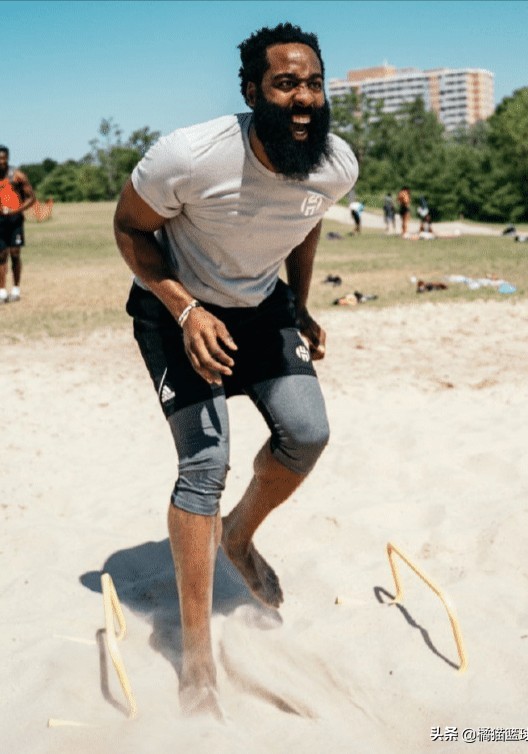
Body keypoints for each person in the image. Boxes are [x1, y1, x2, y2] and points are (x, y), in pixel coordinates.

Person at [113, 22, 358, 717]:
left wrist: (301, 305)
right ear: (252, 91)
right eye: (285, 83)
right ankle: (197, 663)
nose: (304, 97)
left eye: (312, 82)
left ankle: (239, 535)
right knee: (205, 465)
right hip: (177, 312)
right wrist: (187, 311)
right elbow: (130, 229)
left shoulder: (334, 163)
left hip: (262, 308)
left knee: (307, 434)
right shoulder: (189, 156)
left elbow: (306, 216)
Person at [0, 146, 36, 303]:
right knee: (1, 255)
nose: (0, 162)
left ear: (8, 158)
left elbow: (31, 198)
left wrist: (17, 210)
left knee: (15, 253)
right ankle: (1, 291)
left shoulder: (17, 176)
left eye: (3, 158)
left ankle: (15, 288)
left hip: (15, 221)